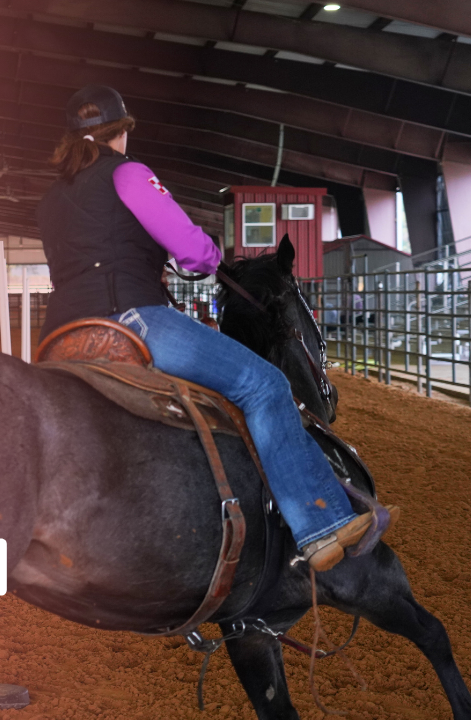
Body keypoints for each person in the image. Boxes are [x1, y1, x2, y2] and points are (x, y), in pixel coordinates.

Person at [35, 85, 394, 571]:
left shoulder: (51, 199)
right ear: (121, 132)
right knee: (264, 385)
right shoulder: (128, 172)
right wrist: (207, 256)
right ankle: (321, 525)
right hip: (131, 318)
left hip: (60, 332)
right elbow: (190, 249)